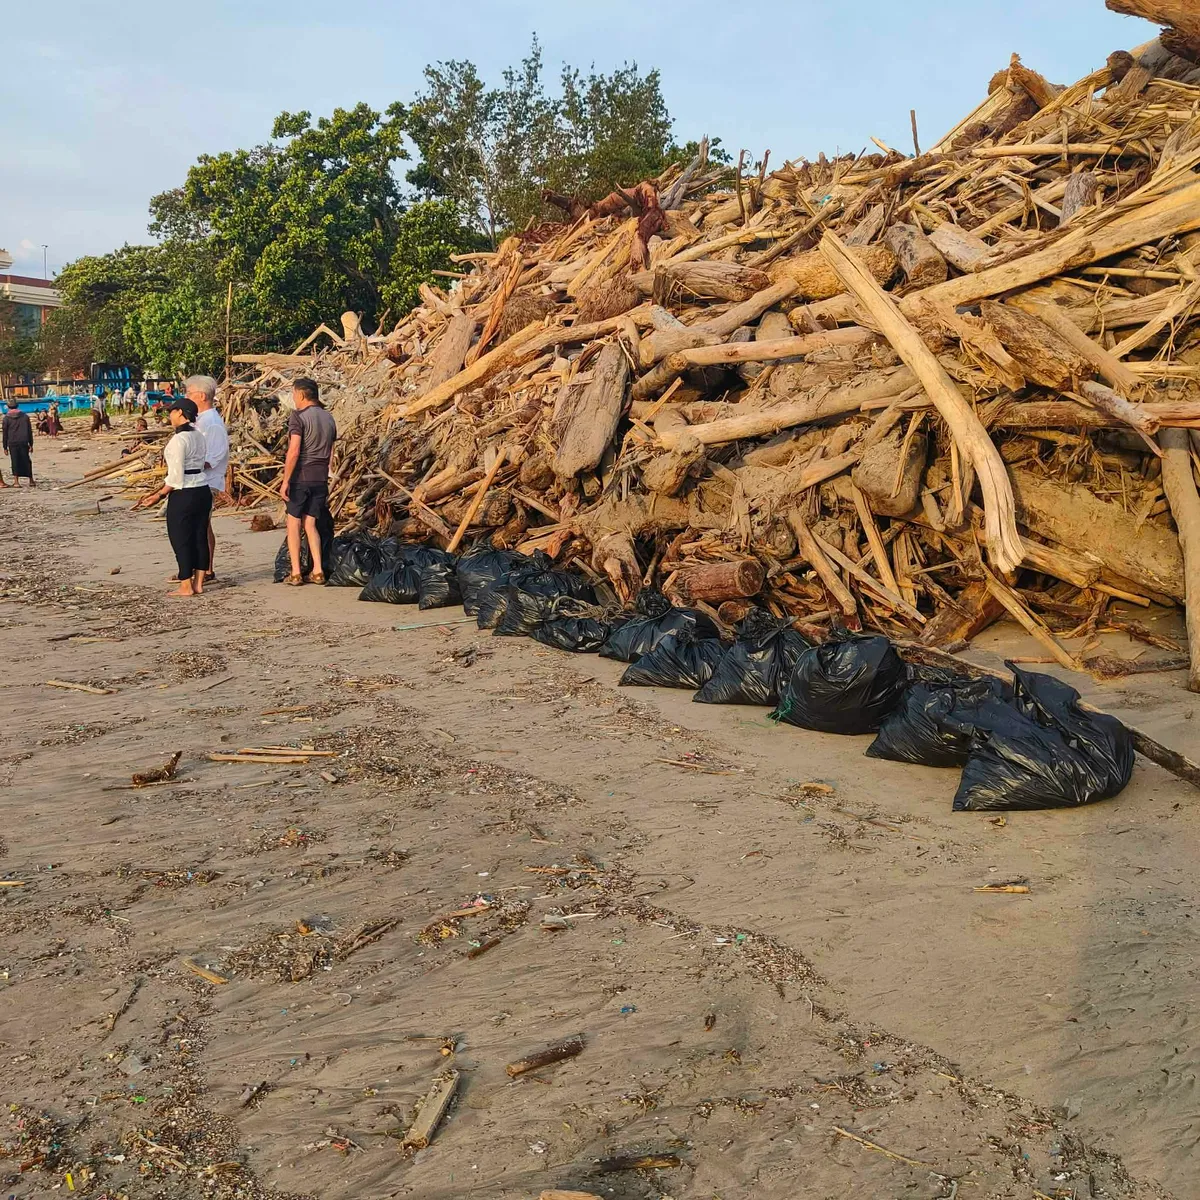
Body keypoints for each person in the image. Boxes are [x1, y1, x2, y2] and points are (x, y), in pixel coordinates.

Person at [133, 398, 211, 597]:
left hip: (184, 492)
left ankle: (186, 584)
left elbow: (175, 476)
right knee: (199, 537)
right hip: (202, 489)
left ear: (180, 413)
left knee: (181, 539)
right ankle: (199, 582)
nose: (169, 415)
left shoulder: (178, 440)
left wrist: (158, 495)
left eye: (172, 411)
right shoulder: (199, 436)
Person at [280, 376, 336, 586]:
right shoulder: (328, 417)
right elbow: (331, 451)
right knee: (311, 523)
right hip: (320, 478)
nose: (293, 399)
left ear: (302, 394)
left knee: (293, 523)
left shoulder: (299, 417)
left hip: (301, 476)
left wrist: (286, 480)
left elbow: (294, 450)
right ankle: (318, 570)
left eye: (294, 394)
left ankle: (296, 572)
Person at [185, 375, 229, 584]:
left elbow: (214, 456)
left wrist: (188, 463)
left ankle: (207, 568)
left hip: (207, 480)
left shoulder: (212, 422)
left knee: (202, 525)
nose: (186, 397)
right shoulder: (200, 420)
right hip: (196, 479)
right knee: (197, 525)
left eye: (189, 393)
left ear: (201, 396)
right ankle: (196, 566)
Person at [2, 400, 35, 487]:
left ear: (8, 407)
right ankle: (31, 480)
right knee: (26, 460)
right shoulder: (25, 416)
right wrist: (31, 444)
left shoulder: (6, 418)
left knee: (15, 461)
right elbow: (29, 431)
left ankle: (16, 482)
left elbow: (5, 434)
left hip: (12, 442)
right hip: (24, 441)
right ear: (17, 406)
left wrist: (5, 447)